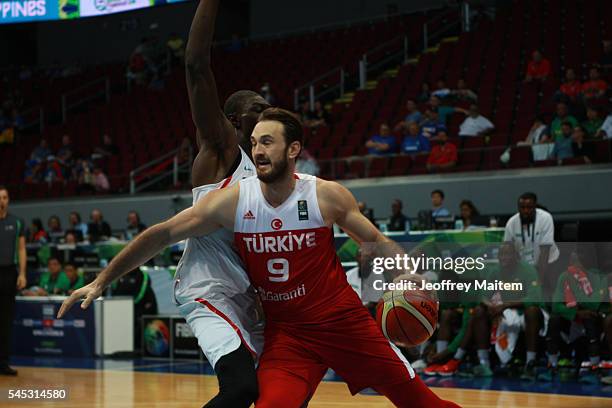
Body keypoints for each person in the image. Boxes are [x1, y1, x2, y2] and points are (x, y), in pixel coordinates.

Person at [59, 108, 460, 408]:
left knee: (422, 404)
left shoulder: (325, 194)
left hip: (344, 323)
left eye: (267, 141)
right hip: (289, 335)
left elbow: (374, 240)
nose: (257, 150)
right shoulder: (234, 201)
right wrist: (101, 280)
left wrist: (408, 272)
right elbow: (162, 234)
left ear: (294, 149)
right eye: (253, 143)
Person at [503, 192, 559, 295]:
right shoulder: (511, 223)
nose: (525, 211)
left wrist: (539, 280)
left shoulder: (545, 218)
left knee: (548, 293)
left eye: (529, 207)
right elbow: (508, 251)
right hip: (525, 265)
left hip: (549, 262)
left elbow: (545, 251)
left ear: (535, 207)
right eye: (522, 207)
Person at [0, 186, 26, 376]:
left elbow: (22, 249)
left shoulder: (17, 222)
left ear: (8, 200)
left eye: (4, 197)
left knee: (6, 319)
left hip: (9, 274)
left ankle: (3, 363)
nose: (1, 201)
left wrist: (22, 273)